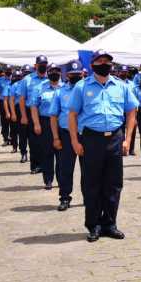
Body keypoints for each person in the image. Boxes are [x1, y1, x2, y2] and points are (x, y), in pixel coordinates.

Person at [68, 49, 138, 242]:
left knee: (114, 184)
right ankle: (94, 225)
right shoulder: (81, 87)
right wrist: (74, 141)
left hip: (115, 138)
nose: (105, 64)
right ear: (92, 65)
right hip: (91, 139)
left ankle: (110, 223)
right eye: (101, 61)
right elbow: (72, 115)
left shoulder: (121, 86)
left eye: (108, 61)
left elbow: (132, 111)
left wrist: (128, 139)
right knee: (91, 184)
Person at [49, 61, 84, 210]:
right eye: (72, 74)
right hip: (66, 134)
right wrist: (56, 138)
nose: (75, 77)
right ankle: (64, 198)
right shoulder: (60, 92)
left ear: (82, 74)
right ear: (67, 75)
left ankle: (88, 197)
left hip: (85, 135)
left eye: (78, 74)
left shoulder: (87, 89)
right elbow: (53, 116)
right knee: (65, 168)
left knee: (88, 169)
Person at [30, 63, 63, 190]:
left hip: (61, 123)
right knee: (47, 152)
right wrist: (36, 123)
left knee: (61, 154)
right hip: (45, 122)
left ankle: (61, 180)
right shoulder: (40, 88)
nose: (54, 73)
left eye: (57, 71)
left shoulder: (65, 87)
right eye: (52, 71)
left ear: (60, 73)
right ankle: (48, 179)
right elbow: (33, 106)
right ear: (48, 73)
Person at [21, 55, 49, 174]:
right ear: (35, 65)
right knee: (34, 140)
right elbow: (22, 99)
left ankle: (45, 164)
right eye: (40, 64)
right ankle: (35, 165)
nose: (43, 66)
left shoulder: (51, 77)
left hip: (46, 111)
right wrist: (23, 116)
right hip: (31, 111)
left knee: (46, 140)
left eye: (44, 64)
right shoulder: (27, 79)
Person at [0, 65, 12, 146]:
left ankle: (12, 138)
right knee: (4, 122)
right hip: (2, 102)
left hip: (12, 102)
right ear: (4, 71)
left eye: (9, 70)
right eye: (7, 70)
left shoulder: (14, 78)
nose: (8, 71)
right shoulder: (0, 80)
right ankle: (5, 138)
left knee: (12, 122)